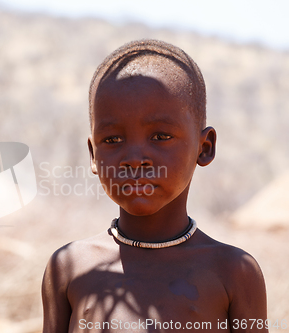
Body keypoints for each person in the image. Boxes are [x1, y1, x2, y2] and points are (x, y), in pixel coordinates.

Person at [41, 39, 267, 333]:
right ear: (94, 155)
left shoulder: (233, 272)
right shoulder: (69, 268)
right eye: (112, 139)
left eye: (160, 136)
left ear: (204, 147)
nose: (135, 160)